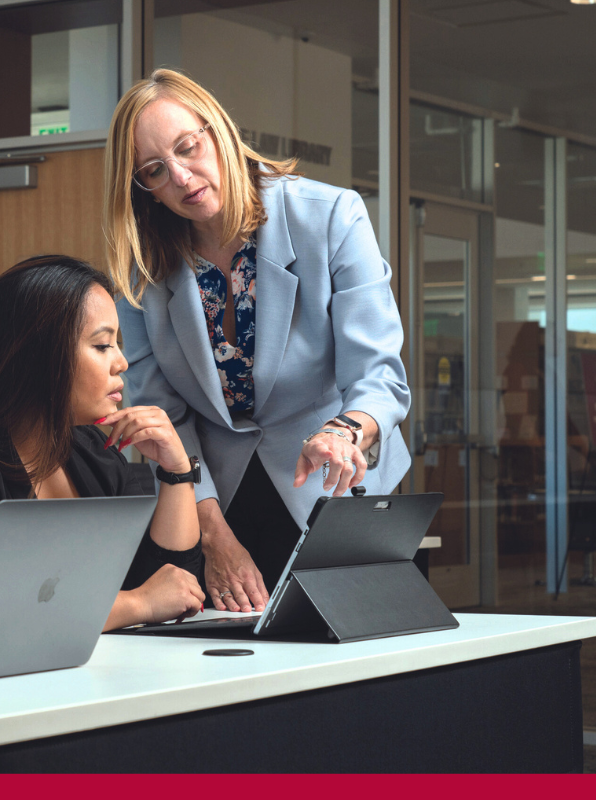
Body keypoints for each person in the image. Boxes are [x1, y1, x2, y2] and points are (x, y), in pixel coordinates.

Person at [104, 69, 411, 614]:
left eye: (187, 147)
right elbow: (160, 412)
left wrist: (345, 430)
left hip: (333, 485)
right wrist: (214, 534)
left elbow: (379, 375)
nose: (180, 176)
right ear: (142, 188)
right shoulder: (142, 266)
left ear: (216, 128)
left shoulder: (330, 215)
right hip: (214, 501)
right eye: (155, 170)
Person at [0, 255, 205, 631]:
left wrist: (177, 470)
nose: (122, 362)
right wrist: (138, 604)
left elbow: (175, 588)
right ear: (37, 354)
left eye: (118, 344)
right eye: (103, 346)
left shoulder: (91, 450)